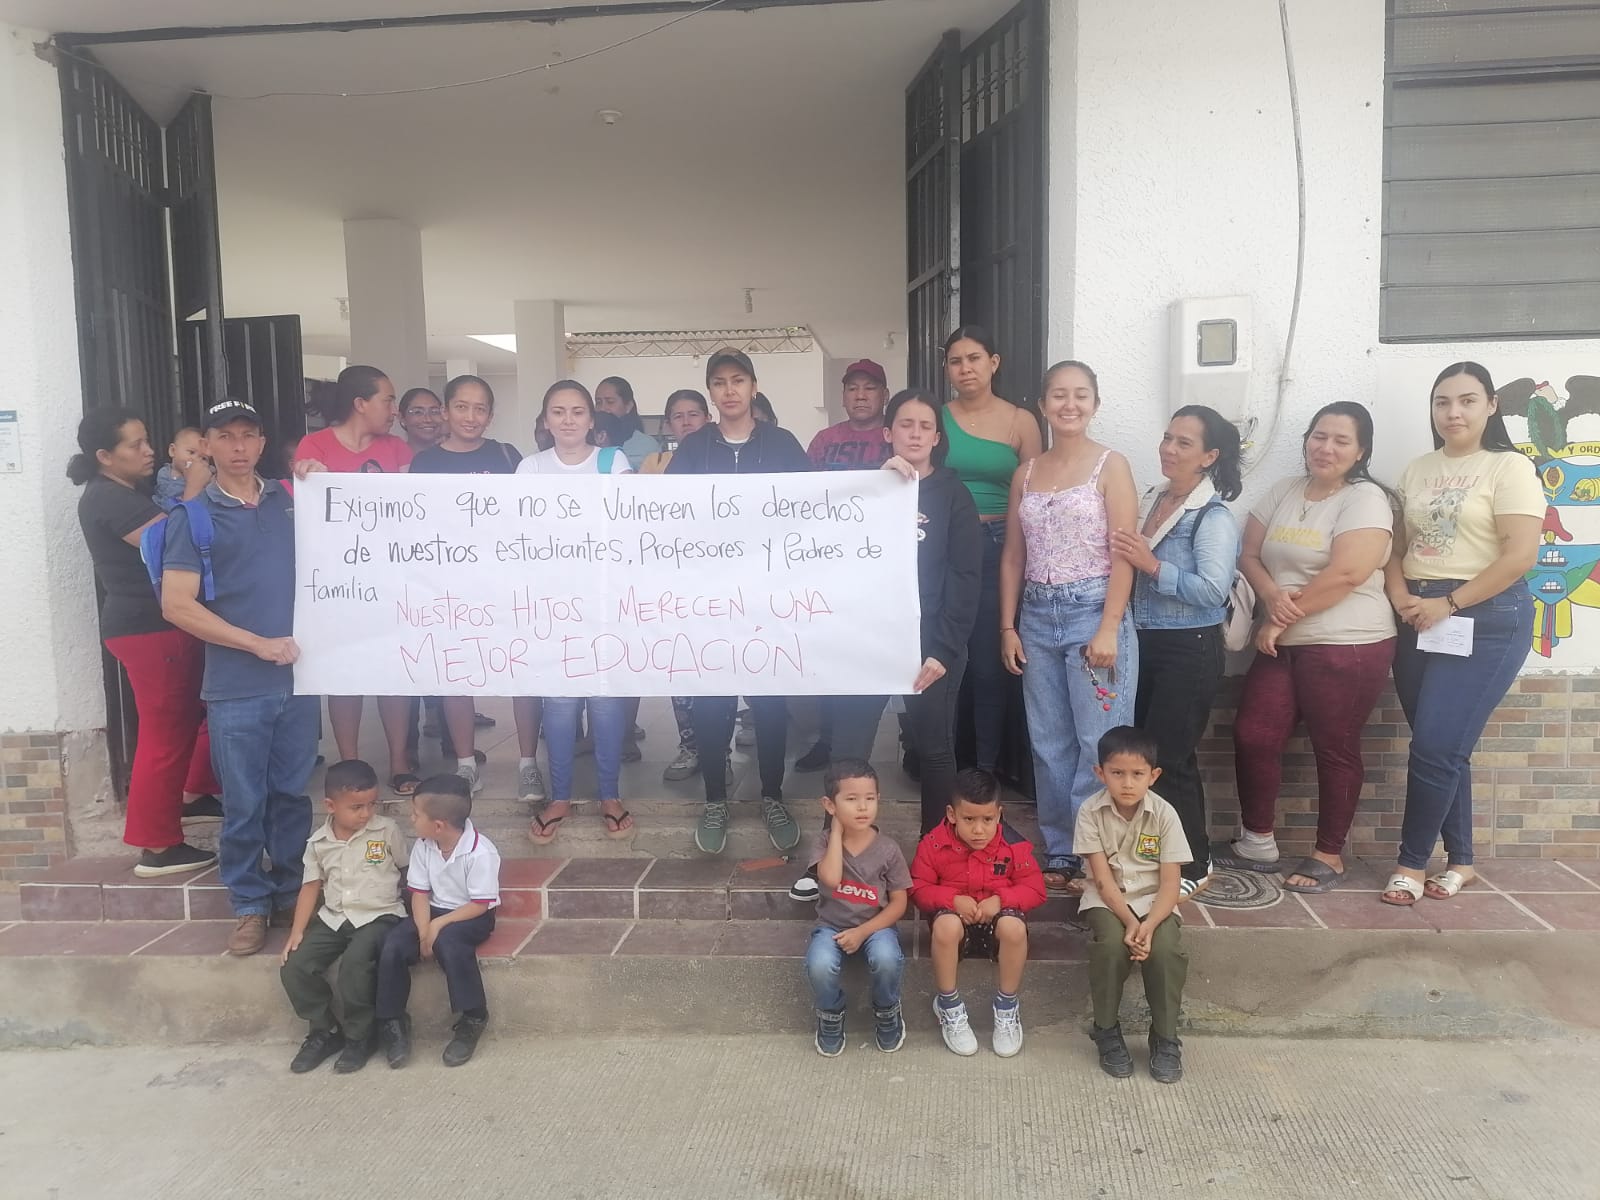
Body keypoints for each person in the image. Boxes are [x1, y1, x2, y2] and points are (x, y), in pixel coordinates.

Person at [1217, 402, 1397, 893]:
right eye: (1319, 436)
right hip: (1283, 639)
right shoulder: (1285, 490)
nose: (1326, 447)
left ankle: (1329, 854)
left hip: (1347, 642)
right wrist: (1272, 598)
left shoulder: (1366, 499)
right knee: (1254, 733)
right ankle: (1256, 842)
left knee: (1334, 746)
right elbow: (1249, 554)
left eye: (1341, 440)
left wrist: (1278, 620)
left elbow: (1348, 572)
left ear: (1361, 451)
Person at [161, 398, 318, 957]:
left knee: (291, 796)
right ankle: (249, 904)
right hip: (236, 685)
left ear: (261, 442)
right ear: (206, 445)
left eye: (248, 435)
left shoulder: (292, 499)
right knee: (244, 801)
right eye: (225, 437)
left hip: (300, 680)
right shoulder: (192, 518)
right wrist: (257, 644)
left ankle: (291, 893)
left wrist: (327, 486)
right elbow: (177, 605)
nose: (238, 447)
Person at [1381, 363, 1542, 907]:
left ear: (1491, 406)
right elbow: (1396, 548)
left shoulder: (1509, 467)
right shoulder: (1418, 469)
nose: (1453, 412)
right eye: (1442, 402)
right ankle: (1462, 862)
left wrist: (1448, 603)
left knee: (1434, 746)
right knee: (1445, 747)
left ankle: (1409, 864)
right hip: (1418, 614)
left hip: (1485, 615)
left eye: (1468, 401)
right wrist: (1401, 596)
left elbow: (1520, 556)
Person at [1000, 361, 1138, 894]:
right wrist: (1007, 626)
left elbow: (1123, 553)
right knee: (1048, 740)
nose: (1070, 404)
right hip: (1036, 615)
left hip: (1093, 611)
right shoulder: (1026, 473)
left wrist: (1109, 627)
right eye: (1059, 394)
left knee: (1097, 741)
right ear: (1043, 404)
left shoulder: (1111, 465)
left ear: (1095, 404)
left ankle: (1093, 852)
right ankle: (1060, 848)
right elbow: (1014, 556)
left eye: (1081, 394)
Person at [667, 349, 811, 855]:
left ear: (753, 386)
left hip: (769, 597)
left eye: (738, 380)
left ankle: (772, 796)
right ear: (711, 391)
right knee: (713, 701)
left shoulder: (783, 444)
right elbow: (668, 515)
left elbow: (815, 505)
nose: (729, 391)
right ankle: (715, 800)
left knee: (769, 701)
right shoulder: (693, 449)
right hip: (709, 599)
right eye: (719, 382)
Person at [69, 408, 218, 878]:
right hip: (149, 630)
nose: (149, 451)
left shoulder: (124, 491)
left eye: (147, 440)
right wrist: (195, 486)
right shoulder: (109, 497)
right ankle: (156, 844)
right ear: (104, 456)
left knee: (187, 718)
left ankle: (192, 795)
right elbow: (169, 543)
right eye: (136, 445)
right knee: (163, 735)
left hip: (153, 628)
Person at [1110, 406, 1242, 897]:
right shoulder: (1152, 497)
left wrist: (1151, 565)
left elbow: (1213, 591)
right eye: (1167, 437)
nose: (1169, 448)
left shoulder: (1213, 515)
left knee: (1172, 758)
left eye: (1184, 443)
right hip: (1143, 642)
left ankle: (1194, 865)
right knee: (1144, 757)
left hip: (1190, 647)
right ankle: (1154, 858)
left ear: (1210, 456)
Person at [517, 380, 635, 843]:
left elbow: (628, 522)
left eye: (578, 411)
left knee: (606, 701)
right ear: (546, 420)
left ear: (591, 419)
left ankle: (610, 794)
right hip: (551, 603)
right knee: (560, 704)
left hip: (605, 599)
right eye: (558, 412)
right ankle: (560, 796)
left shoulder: (612, 462)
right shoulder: (530, 468)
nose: (568, 420)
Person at [294, 365, 416, 797]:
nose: (394, 409)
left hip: (390, 577)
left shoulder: (397, 449)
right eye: (388, 399)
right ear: (360, 404)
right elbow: (305, 511)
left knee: (392, 672)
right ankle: (349, 765)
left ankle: (399, 762)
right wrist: (305, 477)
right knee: (343, 673)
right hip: (338, 583)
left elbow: (411, 510)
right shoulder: (314, 447)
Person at [410, 375, 530, 794]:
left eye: (480, 409)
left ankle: (528, 763)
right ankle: (465, 763)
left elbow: (528, 514)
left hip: (505, 582)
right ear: (445, 411)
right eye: (461, 406)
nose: (470, 416)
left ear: (491, 415)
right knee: (456, 672)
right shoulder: (424, 464)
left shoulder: (507, 457)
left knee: (521, 670)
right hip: (449, 586)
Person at [941, 327, 1042, 777]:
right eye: (956, 360)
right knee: (947, 655)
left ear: (993, 363)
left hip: (1003, 545)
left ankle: (988, 768)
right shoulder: (935, 417)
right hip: (947, 546)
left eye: (974, 358)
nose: (965, 368)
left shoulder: (1021, 421)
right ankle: (944, 762)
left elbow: (1036, 494)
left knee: (989, 661)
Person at [794, 359, 896, 775]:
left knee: (888, 652)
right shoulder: (824, 440)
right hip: (830, 565)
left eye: (869, 388)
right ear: (843, 396)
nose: (860, 395)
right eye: (853, 388)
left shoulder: (895, 436)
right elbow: (802, 495)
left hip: (883, 566)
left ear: (884, 395)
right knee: (832, 656)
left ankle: (910, 742)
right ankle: (828, 741)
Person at [279, 759, 408, 1076]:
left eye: (371, 804)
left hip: (379, 915)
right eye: (356, 807)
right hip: (334, 917)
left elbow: (406, 871)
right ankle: (325, 1031)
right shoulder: (318, 843)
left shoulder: (386, 830)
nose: (366, 813)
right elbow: (311, 887)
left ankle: (360, 1037)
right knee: (295, 966)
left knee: (355, 965)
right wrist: (297, 931)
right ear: (330, 806)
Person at [1078, 726, 1191, 1084]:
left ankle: (1166, 1037)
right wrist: (1130, 922)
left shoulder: (1165, 814)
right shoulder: (1089, 812)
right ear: (1100, 773)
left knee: (1166, 949)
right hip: (1107, 901)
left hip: (1155, 901)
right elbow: (1102, 881)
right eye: (1117, 773)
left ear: (1153, 776)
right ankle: (1106, 1030)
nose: (1127, 783)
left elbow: (1170, 883)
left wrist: (1149, 925)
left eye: (1137, 774)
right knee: (1112, 946)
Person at [910, 768, 1046, 1058]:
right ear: (952, 814)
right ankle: (948, 1005)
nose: (979, 830)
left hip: (997, 922)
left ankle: (1007, 1007)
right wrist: (951, 899)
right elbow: (917, 888)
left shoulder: (1014, 846)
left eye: (987, 819)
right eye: (969, 820)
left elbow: (1036, 889)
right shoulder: (933, 844)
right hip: (954, 924)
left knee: (1014, 928)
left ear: (999, 814)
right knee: (945, 926)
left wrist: (1001, 900)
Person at [375, 775, 501, 1069]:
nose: (411, 819)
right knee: (393, 945)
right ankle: (392, 1020)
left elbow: (480, 904)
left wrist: (437, 927)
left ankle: (473, 1016)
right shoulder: (424, 845)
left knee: (451, 945)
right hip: (431, 909)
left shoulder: (481, 852)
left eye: (416, 814)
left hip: (470, 914)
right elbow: (419, 893)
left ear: (439, 825)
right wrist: (423, 932)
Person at [803, 760, 910, 1057]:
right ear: (830, 805)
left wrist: (863, 932)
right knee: (819, 963)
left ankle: (887, 1010)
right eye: (851, 799)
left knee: (887, 958)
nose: (862, 807)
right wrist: (836, 832)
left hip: (877, 927)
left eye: (870, 798)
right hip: (831, 927)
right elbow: (830, 879)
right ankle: (830, 1014)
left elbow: (900, 903)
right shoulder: (825, 842)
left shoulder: (888, 849)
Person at [643, 390, 712, 783]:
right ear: (668, 424)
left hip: (722, 581)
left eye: (693, 414)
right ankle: (691, 745)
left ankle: (721, 747)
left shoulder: (722, 457)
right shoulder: (653, 465)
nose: (686, 422)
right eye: (678, 416)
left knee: (724, 664)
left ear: (708, 418)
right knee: (681, 666)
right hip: (673, 580)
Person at [595, 375, 662, 470]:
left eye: (610, 402)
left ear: (628, 406)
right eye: (598, 402)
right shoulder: (585, 440)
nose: (602, 408)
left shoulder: (646, 445)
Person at [152, 426, 205, 511]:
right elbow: (168, 497)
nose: (196, 459)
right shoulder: (164, 473)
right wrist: (190, 479)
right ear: (173, 451)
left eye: (203, 458)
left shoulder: (204, 476)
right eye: (191, 452)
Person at [398, 387, 446, 455]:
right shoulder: (394, 458)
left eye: (434, 411)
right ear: (402, 417)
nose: (428, 419)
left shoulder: (453, 457)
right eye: (418, 412)